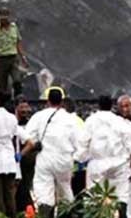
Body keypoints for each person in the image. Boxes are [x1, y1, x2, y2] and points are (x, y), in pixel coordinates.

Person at [20, 87, 82, 218]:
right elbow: (79, 143)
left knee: (43, 192)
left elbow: (26, 137)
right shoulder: (70, 119)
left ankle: (45, 215)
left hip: (45, 159)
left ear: (47, 100)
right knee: (65, 190)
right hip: (64, 160)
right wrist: (76, 159)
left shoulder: (39, 116)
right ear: (62, 101)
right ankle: (67, 214)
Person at [77, 95, 131, 218]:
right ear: (112, 105)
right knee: (121, 194)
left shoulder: (91, 120)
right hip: (118, 162)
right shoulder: (119, 121)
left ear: (99, 105)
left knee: (94, 195)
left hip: (97, 163)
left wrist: (81, 158)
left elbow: (83, 141)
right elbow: (128, 142)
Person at [0, 8, 29, 97]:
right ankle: (4, 104)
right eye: (2, 18)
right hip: (0, 59)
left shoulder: (14, 28)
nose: (3, 20)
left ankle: (18, 98)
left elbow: (18, 42)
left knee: (17, 80)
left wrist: (23, 58)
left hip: (13, 58)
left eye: (5, 18)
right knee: (2, 86)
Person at [15, 96, 37, 212]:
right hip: (16, 162)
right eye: (22, 107)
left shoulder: (31, 123)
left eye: (26, 107)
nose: (24, 110)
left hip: (28, 160)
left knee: (25, 186)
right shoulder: (13, 123)